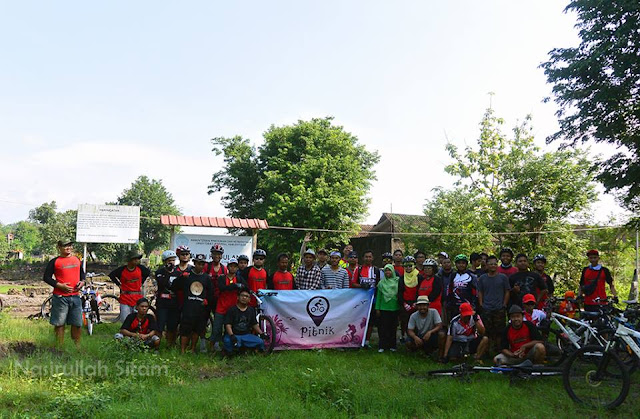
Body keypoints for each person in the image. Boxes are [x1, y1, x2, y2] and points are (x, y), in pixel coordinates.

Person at [43, 239, 86, 347]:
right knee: (59, 323)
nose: (68, 248)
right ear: (59, 247)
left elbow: (82, 273)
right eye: (65, 246)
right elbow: (46, 277)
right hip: (60, 297)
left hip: (75, 297)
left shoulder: (76, 259)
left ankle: (77, 346)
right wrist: (59, 285)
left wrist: (82, 282)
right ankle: (59, 347)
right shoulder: (55, 261)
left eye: (70, 245)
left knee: (77, 323)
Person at [173, 254, 212, 354]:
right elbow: (174, 287)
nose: (200, 266)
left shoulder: (206, 277)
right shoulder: (188, 275)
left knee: (197, 329)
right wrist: (181, 277)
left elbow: (211, 292)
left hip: (200, 308)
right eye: (198, 263)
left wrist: (207, 300)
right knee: (185, 329)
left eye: (202, 264)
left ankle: (193, 348)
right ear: (194, 263)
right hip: (188, 306)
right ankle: (182, 350)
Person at [211, 258, 247, 351]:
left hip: (233, 308)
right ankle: (214, 344)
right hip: (221, 306)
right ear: (228, 267)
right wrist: (234, 286)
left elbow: (246, 287)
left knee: (231, 327)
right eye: (231, 266)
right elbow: (222, 288)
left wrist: (244, 288)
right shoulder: (222, 277)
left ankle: (227, 345)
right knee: (217, 327)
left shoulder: (239, 278)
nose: (233, 268)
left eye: (235, 266)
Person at [477, 255, 510, 351]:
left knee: (500, 331)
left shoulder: (503, 277)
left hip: (499, 308)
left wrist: (504, 304)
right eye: (490, 264)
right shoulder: (483, 278)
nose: (493, 266)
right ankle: (486, 351)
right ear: (487, 265)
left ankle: (499, 349)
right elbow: (480, 292)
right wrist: (481, 304)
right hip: (486, 308)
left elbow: (507, 291)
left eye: (495, 264)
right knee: (486, 331)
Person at [108, 249, 151, 323]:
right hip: (125, 298)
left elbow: (147, 273)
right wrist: (119, 284)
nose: (137, 261)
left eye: (138, 259)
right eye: (135, 259)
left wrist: (141, 281)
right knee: (125, 319)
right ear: (130, 260)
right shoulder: (122, 270)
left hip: (137, 297)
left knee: (137, 319)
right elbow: (112, 275)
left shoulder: (140, 269)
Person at [352, 250, 383, 348]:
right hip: (360, 300)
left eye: (370, 257)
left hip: (372, 300)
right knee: (359, 320)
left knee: (370, 321)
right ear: (363, 258)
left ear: (372, 258)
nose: (368, 259)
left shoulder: (377, 270)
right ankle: (358, 338)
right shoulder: (359, 269)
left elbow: (379, 285)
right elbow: (353, 283)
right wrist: (361, 285)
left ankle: (367, 341)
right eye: (366, 257)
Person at [223, 288, 267, 355]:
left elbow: (254, 324)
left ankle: (243, 348)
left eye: (247, 296)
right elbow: (228, 325)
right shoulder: (231, 309)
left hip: (246, 335)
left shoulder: (251, 310)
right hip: (234, 334)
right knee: (227, 341)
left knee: (260, 342)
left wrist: (261, 333)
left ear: (249, 300)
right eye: (242, 295)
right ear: (238, 297)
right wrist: (232, 335)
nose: (244, 297)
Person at [154, 250, 181, 348]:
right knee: (160, 325)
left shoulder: (178, 273)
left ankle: (170, 345)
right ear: (165, 261)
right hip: (162, 303)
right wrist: (168, 272)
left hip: (173, 303)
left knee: (172, 326)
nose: (172, 262)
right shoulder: (159, 272)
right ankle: (156, 345)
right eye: (169, 260)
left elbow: (177, 287)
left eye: (173, 260)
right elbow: (162, 283)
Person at [375, 265, 400, 353]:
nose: (387, 272)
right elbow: (378, 297)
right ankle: (382, 345)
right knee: (383, 328)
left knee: (393, 328)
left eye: (389, 271)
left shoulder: (397, 281)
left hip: (394, 308)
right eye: (386, 271)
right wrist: (377, 308)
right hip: (383, 308)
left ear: (393, 271)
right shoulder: (381, 283)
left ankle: (392, 346)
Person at [446, 254, 478, 321]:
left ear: (466, 264)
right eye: (459, 263)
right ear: (456, 264)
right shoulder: (452, 276)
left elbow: (475, 292)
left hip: (468, 305)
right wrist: (448, 302)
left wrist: (474, 305)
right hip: (455, 305)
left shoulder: (472, 276)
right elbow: (449, 289)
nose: (461, 265)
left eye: (463, 263)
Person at [397, 256, 419, 343]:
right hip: (405, 303)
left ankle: (416, 338)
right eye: (406, 266)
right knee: (404, 321)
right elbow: (400, 292)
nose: (408, 268)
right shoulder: (402, 278)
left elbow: (420, 290)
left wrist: (416, 302)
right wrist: (404, 303)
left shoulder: (419, 276)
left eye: (410, 265)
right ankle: (403, 336)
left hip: (416, 303)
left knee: (416, 321)